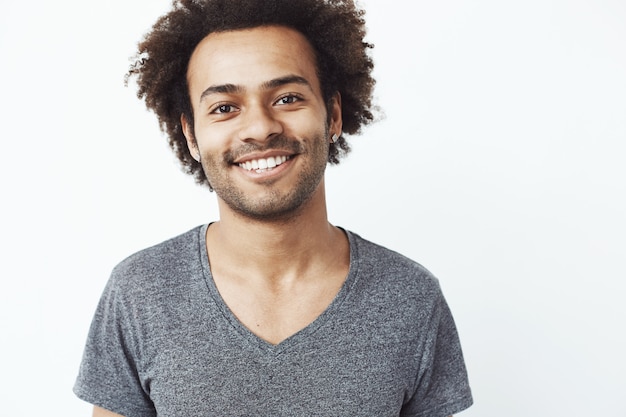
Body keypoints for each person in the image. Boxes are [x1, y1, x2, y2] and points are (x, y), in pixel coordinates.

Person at [74, 0, 473, 416]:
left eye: (286, 98)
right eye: (224, 108)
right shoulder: (139, 293)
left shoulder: (410, 297)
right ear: (191, 135)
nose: (261, 126)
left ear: (332, 115)